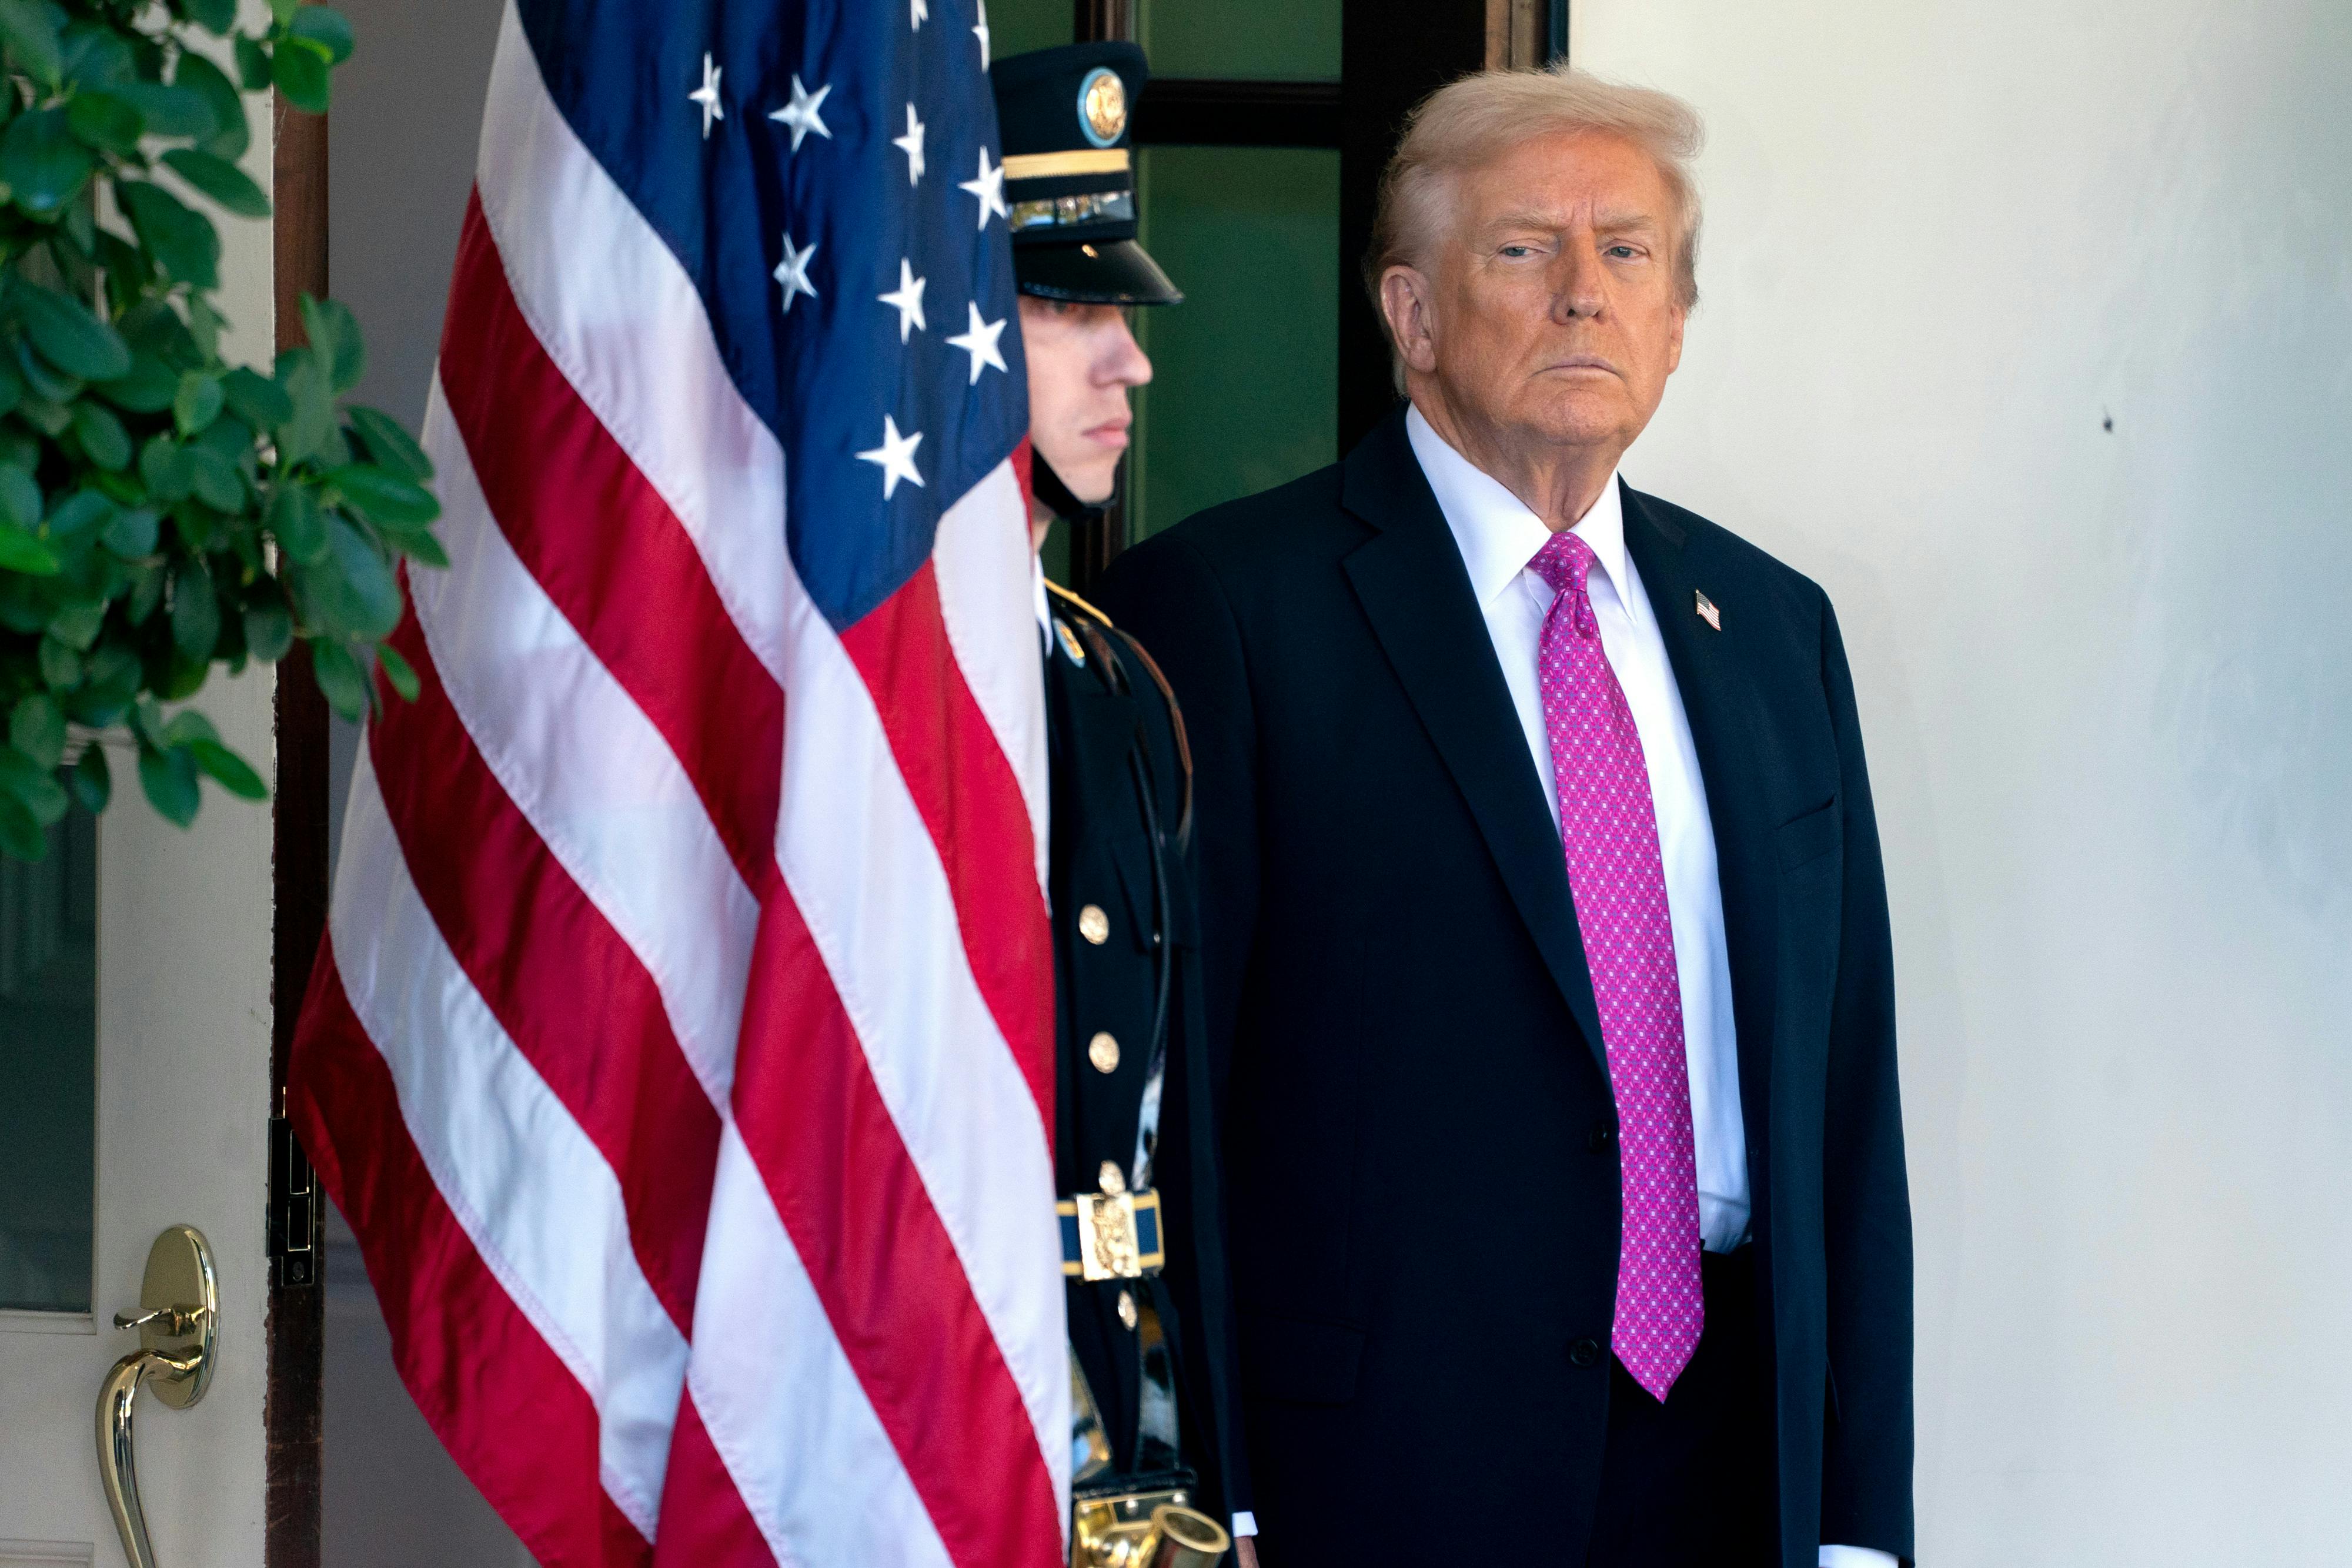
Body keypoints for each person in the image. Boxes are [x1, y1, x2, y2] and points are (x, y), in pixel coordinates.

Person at [1098, 65, 1913, 1568]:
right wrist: (1213, 1485)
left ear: (1676, 322)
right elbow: (1172, 1120)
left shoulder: (1777, 631)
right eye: (1524, 249)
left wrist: (1855, 1516)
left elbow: (1844, 1098)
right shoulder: (1223, 612)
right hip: (1376, 1468)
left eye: (1627, 254)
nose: (1584, 297)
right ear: (1409, 314)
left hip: (1732, 1455)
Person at [991, 42, 1258, 1568]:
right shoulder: (871, 717)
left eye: (1123, 313)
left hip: (1127, 1434)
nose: (1130, 361)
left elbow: (1181, 1146)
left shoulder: (1117, 683)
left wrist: (1217, 1481)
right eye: (1070, 308)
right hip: (943, 1397)